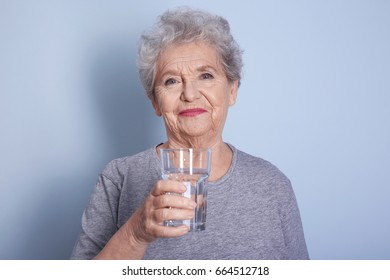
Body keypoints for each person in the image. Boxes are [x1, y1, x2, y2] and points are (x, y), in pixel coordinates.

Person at [71, 7, 309, 260]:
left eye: (206, 76)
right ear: (155, 102)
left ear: (232, 91)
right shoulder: (118, 179)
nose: (190, 94)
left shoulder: (272, 185)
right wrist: (135, 233)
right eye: (171, 81)